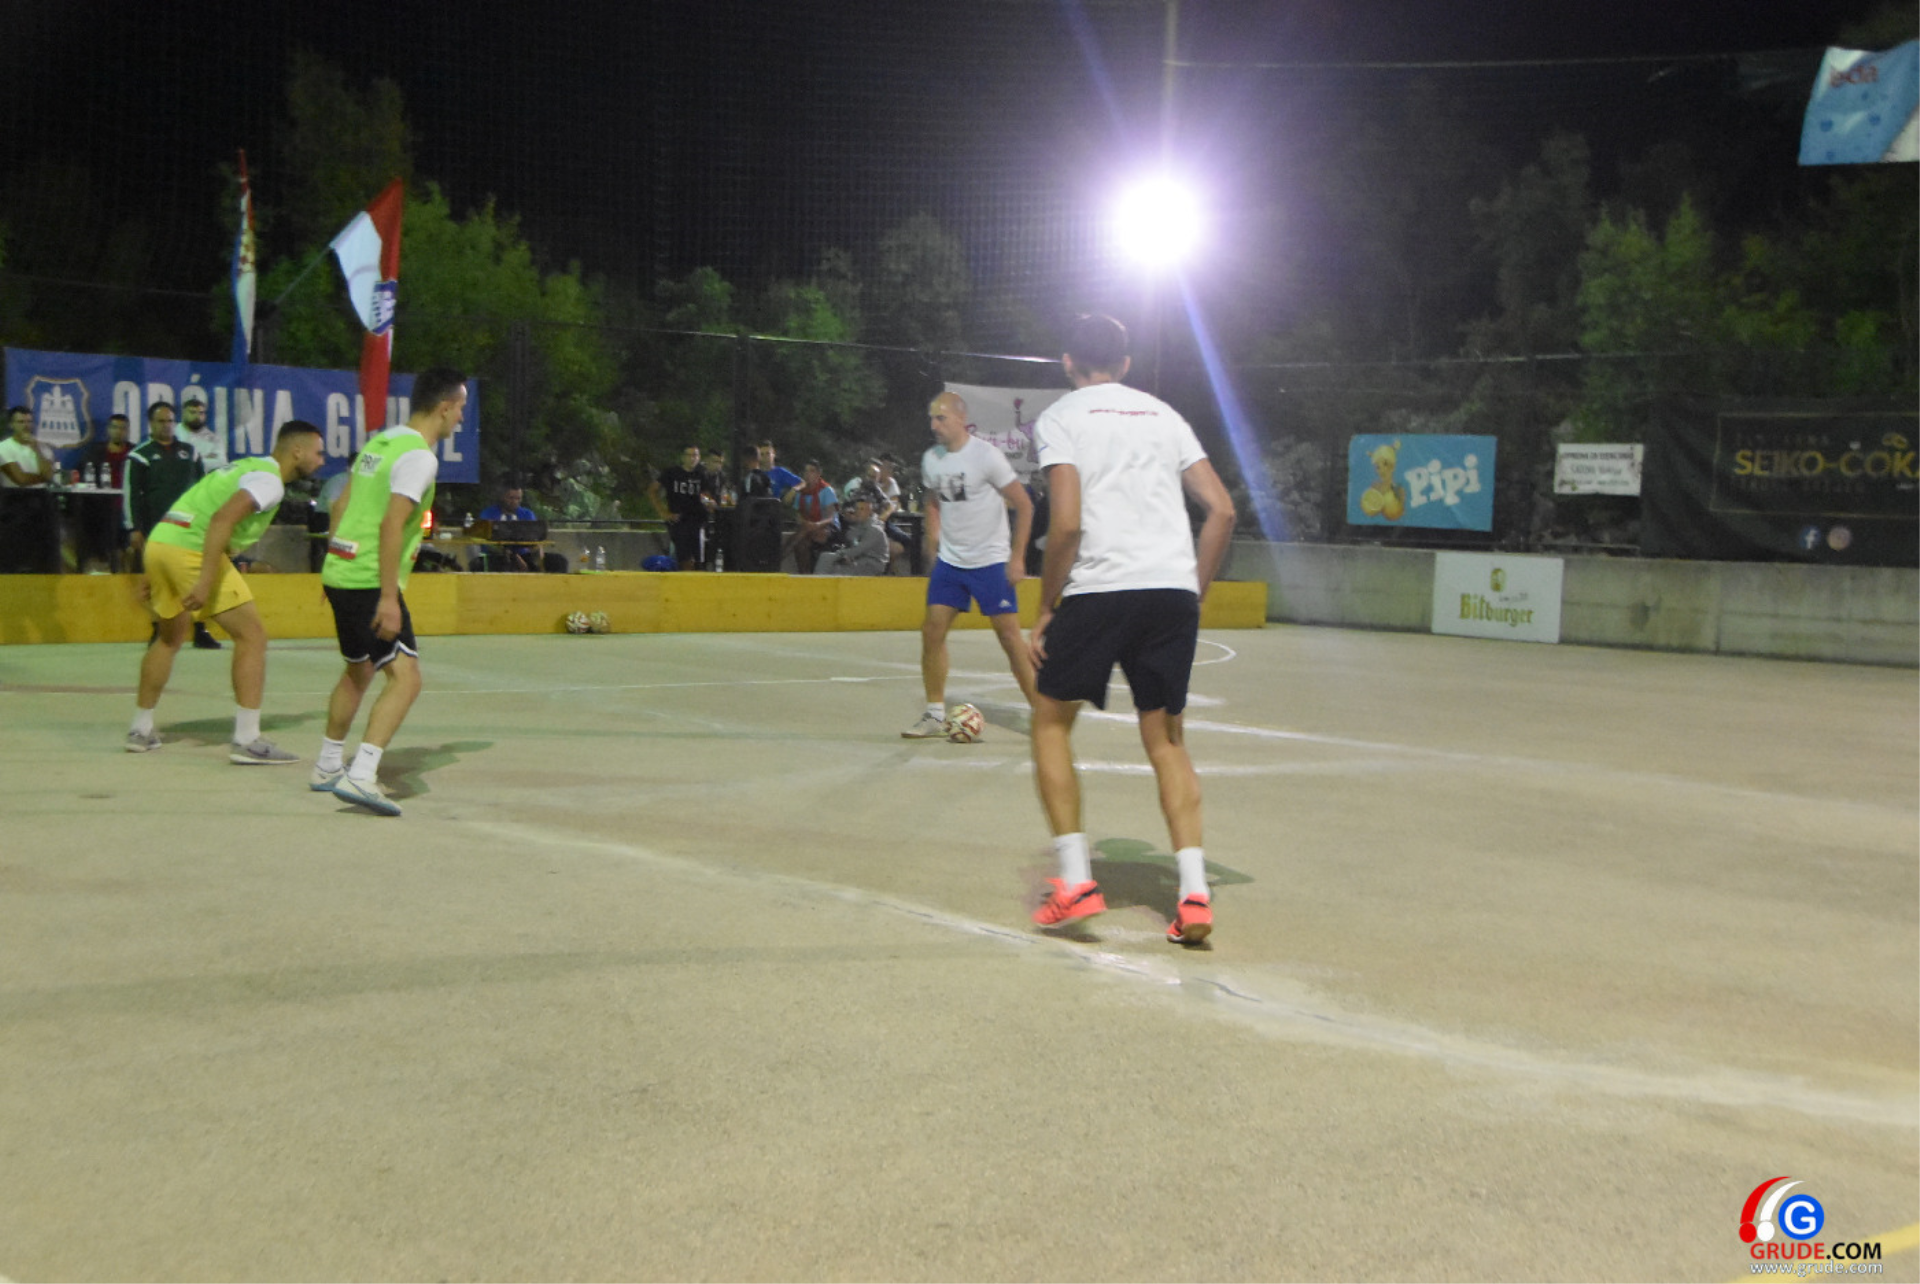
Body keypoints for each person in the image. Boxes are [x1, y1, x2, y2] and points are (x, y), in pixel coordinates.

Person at [1025, 314, 1237, 945]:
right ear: (1124, 363)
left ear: (1068, 362)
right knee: (1167, 740)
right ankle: (1194, 896)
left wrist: (1047, 605)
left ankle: (1075, 882)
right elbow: (1222, 510)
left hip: (1100, 588)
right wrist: (1192, 590)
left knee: (1050, 721)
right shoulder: (1164, 415)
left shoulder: (1061, 417)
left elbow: (1066, 524)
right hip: (1169, 591)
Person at [313, 367, 468, 817]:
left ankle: (327, 766)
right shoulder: (419, 457)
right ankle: (362, 774)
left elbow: (341, 504)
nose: (461, 418)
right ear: (444, 408)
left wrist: (334, 564)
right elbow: (391, 524)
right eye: (460, 408)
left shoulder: (380, 443)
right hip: (368, 578)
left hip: (343, 571)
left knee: (358, 670)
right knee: (407, 678)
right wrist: (386, 598)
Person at [125, 420, 327, 761]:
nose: (322, 460)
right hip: (191, 548)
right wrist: (204, 580)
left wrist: (157, 566)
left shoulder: (245, 466)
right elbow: (222, 520)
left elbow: (196, 506)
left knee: (168, 639)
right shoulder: (268, 481)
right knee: (252, 637)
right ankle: (247, 740)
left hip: (163, 540)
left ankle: (140, 730)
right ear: (297, 451)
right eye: (318, 453)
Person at [900, 391, 1036, 738]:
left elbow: (1024, 505)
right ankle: (934, 714)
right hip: (951, 562)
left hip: (990, 561)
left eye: (941, 418)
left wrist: (1017, 557)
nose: (934, 425)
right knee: (932, 631)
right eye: (932, 418)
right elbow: (933, 501)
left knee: (1009, 638)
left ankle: (1042, 713)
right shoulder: (931, 459)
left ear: (961, 419)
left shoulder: (986, 456)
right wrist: (933, 539)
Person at [125, 401, 220, 649]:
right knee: (159, 581)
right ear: (151, 424)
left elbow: (202, 489)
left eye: (170, 421)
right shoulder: (140, 455)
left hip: (189, 527)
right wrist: (134, 527)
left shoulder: (190, 452)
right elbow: (131, 494)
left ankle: (200, 629)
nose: (166, 426)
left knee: (195, 577)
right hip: (156, 528)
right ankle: (159, 629)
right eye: (161, 421)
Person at [77, 413, 135, 570]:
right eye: (115, 427)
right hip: (102, 511)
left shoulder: (135, 452)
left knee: (127, 552)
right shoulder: (95, 452)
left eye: (123, 428)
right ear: (108, 430)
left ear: (128, 431)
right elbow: (83, 477)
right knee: (105, 553)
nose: (118, 432)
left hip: (127, 510)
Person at [649, 445, 713, 570]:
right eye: (689, 455)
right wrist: (663, 512)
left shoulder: (702, 474)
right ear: (683, 457)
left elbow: (707, 495)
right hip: (679, 520)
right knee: (684, 557)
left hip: (697, 520)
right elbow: (652, 490)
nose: (692, 458)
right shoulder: (672, 473)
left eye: (695, 455)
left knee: (698, 558)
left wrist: (709, 503)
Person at [815, 492, 889, 575]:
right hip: (858, 560)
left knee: (833, 566)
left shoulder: (874, 530)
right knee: (826, 557)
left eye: (862, 509)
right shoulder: (856, 527)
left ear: (870, 512)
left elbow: (859, 549)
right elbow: (851, 544)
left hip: (872, 563)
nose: (858, 512)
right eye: (857, 509)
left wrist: (841, 554)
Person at [783, 460, 838, 574]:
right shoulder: (801, 492)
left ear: (818, 474)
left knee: (804, 530)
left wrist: (816, 525)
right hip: (808, 527)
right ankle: (805, 575)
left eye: (811, 471)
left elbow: (830, 517)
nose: (808, 474)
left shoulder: (826, 490)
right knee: (801, 544)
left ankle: (778, 557)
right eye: (806, 471)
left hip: (828, 527)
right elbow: (797, 513)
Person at [474, 482, 542, 572]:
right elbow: (484, 540)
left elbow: (535, 539)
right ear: (502, 497)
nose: (515, 502)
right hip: (495, 555)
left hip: (523, 554)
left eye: (518, 498)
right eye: (511, 498)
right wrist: (512, 555)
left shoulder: (527, 514)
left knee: (554, 560)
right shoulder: (489, 513)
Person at [0, 405, 55, 488]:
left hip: (41, 494)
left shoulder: (42, 447)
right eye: (21, 422)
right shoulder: (3, 447)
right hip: (15, 495)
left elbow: (49, 475)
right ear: (11, 425)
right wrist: (45, 478)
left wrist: (37, 450)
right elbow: (21, 479)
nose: (26, 425)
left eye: (29, 421)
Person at [178, 394, 228, 472]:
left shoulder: (214, 439)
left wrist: (188, 461)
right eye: (192, 412)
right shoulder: (172, 434)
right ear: (183, 413)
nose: (197, 416)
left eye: (201, 413)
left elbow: (221, 463)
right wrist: (204, 458)